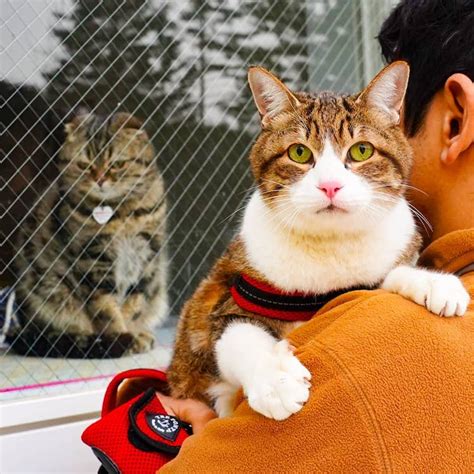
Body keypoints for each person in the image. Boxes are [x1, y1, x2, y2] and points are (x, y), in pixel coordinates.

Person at [118, 1, 474, 471]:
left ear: (456, 119)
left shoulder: (362, 357)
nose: (330, 181)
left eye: (364, 148)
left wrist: (143, 424)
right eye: (302, 154)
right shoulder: (424, 281)